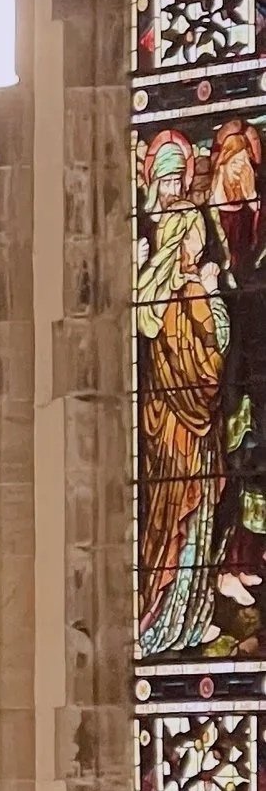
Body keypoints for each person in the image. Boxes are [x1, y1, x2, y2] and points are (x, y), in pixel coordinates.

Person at [137, 132, 231, 656]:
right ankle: (168, 617)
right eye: (193, 234)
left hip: (180, 429)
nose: (199, 242)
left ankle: (184, 617)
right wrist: (212, 292)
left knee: (183, 518)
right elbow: (211, 363)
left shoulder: (169, 288)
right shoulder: (187, 289)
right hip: (180, 434)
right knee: (178, 516)